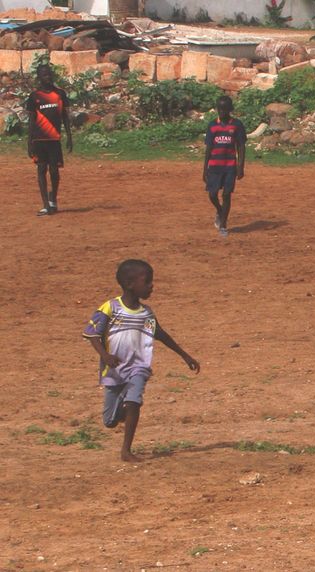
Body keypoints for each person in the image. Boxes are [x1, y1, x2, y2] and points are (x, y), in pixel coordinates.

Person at [83, 260, 200, 462]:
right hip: (114, 370)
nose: (151, 286)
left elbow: (160, 334)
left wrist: (184, 355)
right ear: (130, 284)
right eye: (147, 281)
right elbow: (92, 334)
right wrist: (105, 356)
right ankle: (124, 409)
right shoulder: (110, 308)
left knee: (134, 401)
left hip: (139, 367)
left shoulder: (146, 313)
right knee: (109, 421)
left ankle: (126, 450)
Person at [26, 64, 72, 216]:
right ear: (39, 77)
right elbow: (31, 121)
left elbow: (65, 116)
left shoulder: (60, 94)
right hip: (39, 140)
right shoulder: (34, 97)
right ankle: (46, 205)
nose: (48, 77)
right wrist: (29, 142)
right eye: (44, 75)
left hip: (54, 139)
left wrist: (69, 137)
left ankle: (53, 199)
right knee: (41, 169)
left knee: (54, 171)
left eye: (49, 74)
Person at [203, 95, 246, 237]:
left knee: (227, 194)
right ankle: (220, 211)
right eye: (220, 109)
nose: (222, 112)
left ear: (230, 110)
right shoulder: (212, 125)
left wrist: (240, 166)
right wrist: (204, 169)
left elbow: (241, 147)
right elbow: (208, 148)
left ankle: (223, 224)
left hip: (230, 166)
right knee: (212, 194)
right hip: (214, 166)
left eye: (225, 110)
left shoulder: (237, 125)